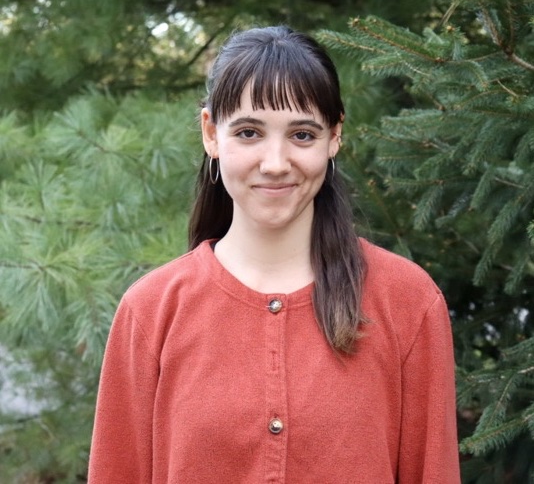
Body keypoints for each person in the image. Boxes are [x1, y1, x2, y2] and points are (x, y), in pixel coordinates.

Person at [88, 25, 460, 483]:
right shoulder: (151, 310)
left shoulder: (407, 301)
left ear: (335, 136)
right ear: (210, 132)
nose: (276, 162)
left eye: (302, 135)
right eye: (248, 132)